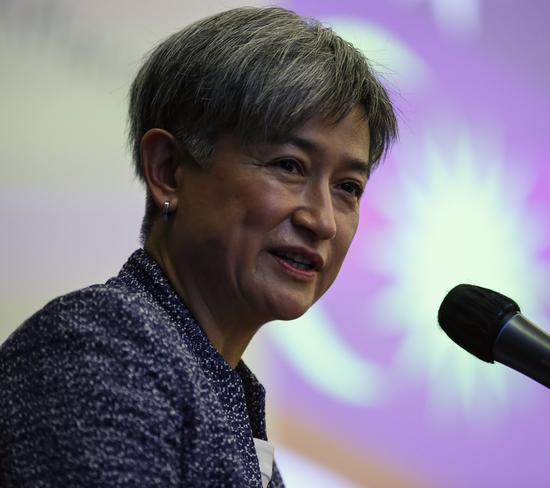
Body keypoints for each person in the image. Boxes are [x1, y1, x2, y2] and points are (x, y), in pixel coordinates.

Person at [0, 6, 397, 487]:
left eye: (348, 188)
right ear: (168, 170)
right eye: (290, 166)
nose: (323, 221)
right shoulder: (101, 346)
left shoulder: (227, 395)